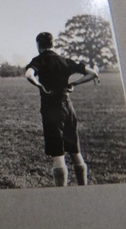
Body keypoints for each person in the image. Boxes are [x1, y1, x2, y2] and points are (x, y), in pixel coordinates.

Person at [25, 32, 98, 187]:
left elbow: (28, 74)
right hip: (68, 108)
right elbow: (92, 73)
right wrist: (74, 84)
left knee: (58, 155)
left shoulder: (39, 60)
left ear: (38, 44)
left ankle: (62, 196)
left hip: (51, 111)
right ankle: (82, 190)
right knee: (76, 153)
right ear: (53, 44)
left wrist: (40, 85)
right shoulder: (64, 60)